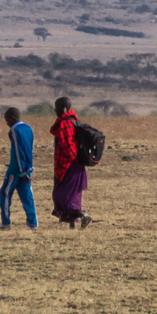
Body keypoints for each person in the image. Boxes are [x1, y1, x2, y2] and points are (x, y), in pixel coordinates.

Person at [50, 96, 92, 228]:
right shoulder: (73, 121)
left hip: (68, 165)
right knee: (72, 196)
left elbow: (69, 148)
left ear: (62, 108)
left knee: (61, 195)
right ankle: (72, 226)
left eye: (56, 107)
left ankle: (83, 216)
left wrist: (64, 164)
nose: (55, 110)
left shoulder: (65, 123)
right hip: (74, 165)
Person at [0, 107, 38, 230]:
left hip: (16, 170)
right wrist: (28, 169)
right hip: (28, 167)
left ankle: (6, 223)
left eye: (7, 120)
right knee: (27, 196)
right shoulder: (29, 128)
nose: (7, 124)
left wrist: (22, 171)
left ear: (12, 118)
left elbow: (18, 150)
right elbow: (29, 150)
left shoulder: (14, 130)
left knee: (4, 193)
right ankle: (33, 224)